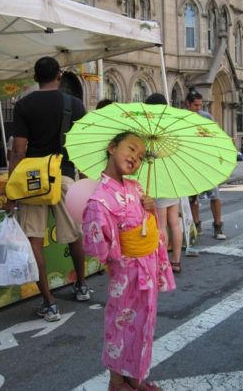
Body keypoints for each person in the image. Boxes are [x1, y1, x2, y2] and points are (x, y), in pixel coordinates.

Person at [82, 131, 175, 391]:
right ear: (112, 148)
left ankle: (136, 377)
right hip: (125, 272)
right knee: (121, 325)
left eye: (141, 156)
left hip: (146, 268)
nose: (135, 157)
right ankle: (116, 381)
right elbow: (97, 245)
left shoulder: (136, 187)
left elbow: (149, 226)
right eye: (131, 148)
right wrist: (118, 234)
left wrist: (149, 208)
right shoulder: (99, 198)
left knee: (144, 324)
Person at [8, 56, 90, 322]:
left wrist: (12, 188)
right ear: (59, 76)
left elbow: (19, 150)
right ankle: (81, 286)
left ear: (35, 77)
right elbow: (83, 147)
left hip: (33, 180)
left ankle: (50, 302)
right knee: (74, 235)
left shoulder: (24, 105)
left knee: (35, 239)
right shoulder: (74, 104)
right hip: (64, 176)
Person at [145, 92, 183, 273]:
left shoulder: (151, 131)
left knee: (161, 224)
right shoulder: (172, 128)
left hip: (158, 182)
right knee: (174, 222)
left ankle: (162, 262)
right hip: (173, 180)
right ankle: (176, 260)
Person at [185, 89, 226, 240]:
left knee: (215, 195)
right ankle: (196, 225)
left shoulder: (206, 117)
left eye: (200, 105)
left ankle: (218, 226)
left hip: (207, 162)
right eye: (195, 105)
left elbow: (216, 136)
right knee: (193, 197)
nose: (198, 108)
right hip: (190, 163)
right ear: (187, 104)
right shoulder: (182, 119)